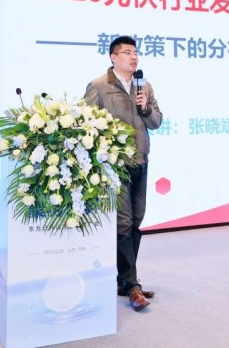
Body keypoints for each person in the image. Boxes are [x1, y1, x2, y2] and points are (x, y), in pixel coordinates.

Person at [84, 35, 163, 311]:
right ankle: (132, 285)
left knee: (136, 222)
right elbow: (86, 124)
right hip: (116, 165)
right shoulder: (99, 86)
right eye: (128, 52)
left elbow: (156, 122)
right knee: (123, 223)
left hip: (141, 160)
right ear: (114, 57)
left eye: (136, 52)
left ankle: (124, 280)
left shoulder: (144, 86)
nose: (134, 57)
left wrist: (145, 107)